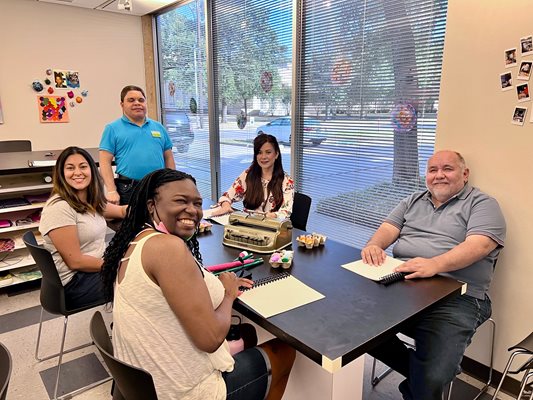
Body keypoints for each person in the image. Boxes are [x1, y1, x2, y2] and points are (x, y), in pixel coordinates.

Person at [101, 168, 295, 400]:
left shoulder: (136, 241)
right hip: (182, 393)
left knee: (247, 333)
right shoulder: (167, 249)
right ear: (152, 205)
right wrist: (228, 295)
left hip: (146, 386)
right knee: (285, 351)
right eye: (181, 201)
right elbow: (211, 340)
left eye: (197, 203)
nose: (192, 211)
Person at [361, 150, 505, 400]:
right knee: (354, 328)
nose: (439, 175)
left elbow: (480, 245)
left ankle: (425, 379)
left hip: (460, 296)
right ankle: (423, 377)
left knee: (434, 376)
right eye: (432, 170)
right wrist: (374, 245)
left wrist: (434, 264)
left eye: (447, 169)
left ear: (465, 173)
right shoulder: (413, 200)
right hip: (404, 286)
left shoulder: (482, 204)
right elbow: (387, 228)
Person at [39, 146, 126, 309]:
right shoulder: (59, 208)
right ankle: (126, 332)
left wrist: (152, 207)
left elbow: (121, 211)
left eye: (83, 166)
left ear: (92, 170)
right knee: (138, 279)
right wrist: (116, 266)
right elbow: (76, 262)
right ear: (61, 174)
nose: (78, 172)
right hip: (74, 283)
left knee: (134, 263)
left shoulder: (89, 200)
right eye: (70, 168)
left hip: (90, 271)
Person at [99, 85, 176, 205]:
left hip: (158, 187)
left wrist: (172, 184)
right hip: (129, 189)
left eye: (141, 100)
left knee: (160, 222)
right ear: (122, 104)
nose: (137, 103)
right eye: (131, 100)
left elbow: (169, 158)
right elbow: (104, 162)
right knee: (132, 223)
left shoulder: (158, 127)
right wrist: (111, 190)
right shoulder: (112, 128)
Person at [211, 134, 294, 219]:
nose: (263, 157)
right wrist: (226, 206)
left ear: (276, 154)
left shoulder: (287, 181)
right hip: (247, 225)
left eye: (268, 152)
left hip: (271, 227)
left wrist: (271, 216)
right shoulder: (248, 174)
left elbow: (285, 212)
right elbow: (227, 196)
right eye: (259, 152)